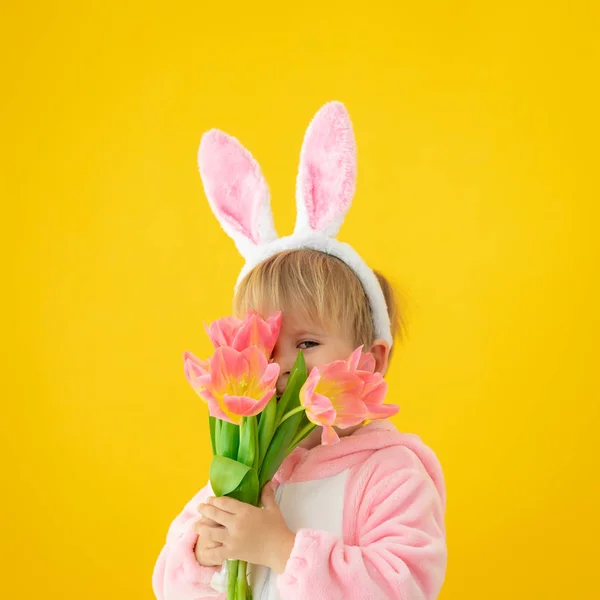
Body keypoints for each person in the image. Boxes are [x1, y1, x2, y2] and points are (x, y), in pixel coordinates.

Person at [152, 102, 447, 600]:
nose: (281, 363)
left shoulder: (391, 475)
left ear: (371, 361)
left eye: (306, 343)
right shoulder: (248, 469)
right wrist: (203, 555)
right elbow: (168, 584)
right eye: (263, 347)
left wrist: (282, 551)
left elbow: (406, 586)